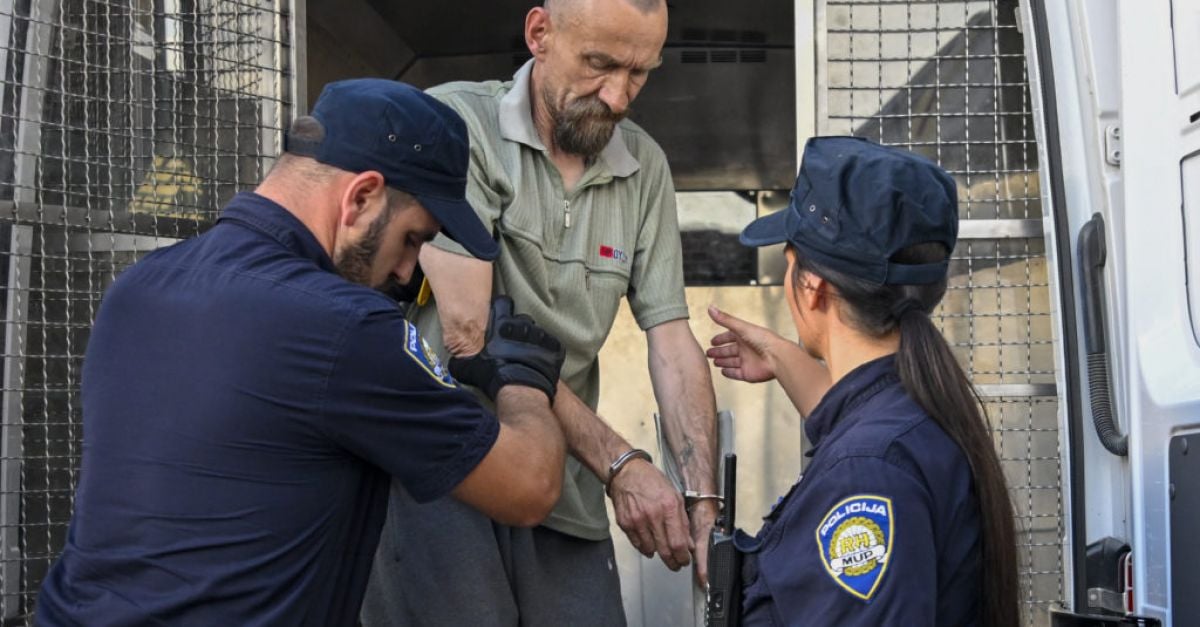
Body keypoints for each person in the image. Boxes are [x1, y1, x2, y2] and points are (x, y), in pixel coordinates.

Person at [35, 79, 571, 626]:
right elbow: (529, 488)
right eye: (412, 239)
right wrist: (523, 380)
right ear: (361, 196)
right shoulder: (346, 326)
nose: (408, 273)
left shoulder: (137, 287)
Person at [362, 0, 719, 624]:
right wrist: (620, 462)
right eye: (600, 64)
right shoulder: (456, 125)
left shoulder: (645, 167)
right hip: (446, 477)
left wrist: (702, 494)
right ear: (539, 34)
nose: (617, 96)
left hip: (566, 488)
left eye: (640, 73)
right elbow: (472, 334)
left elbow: (670, 336)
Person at [705, 136, 1019, 626]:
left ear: (813, 288)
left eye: (789, 264)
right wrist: (783, 356)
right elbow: (853, 420)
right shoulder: (912, 409)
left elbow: (863, 454)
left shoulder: (869, 470)